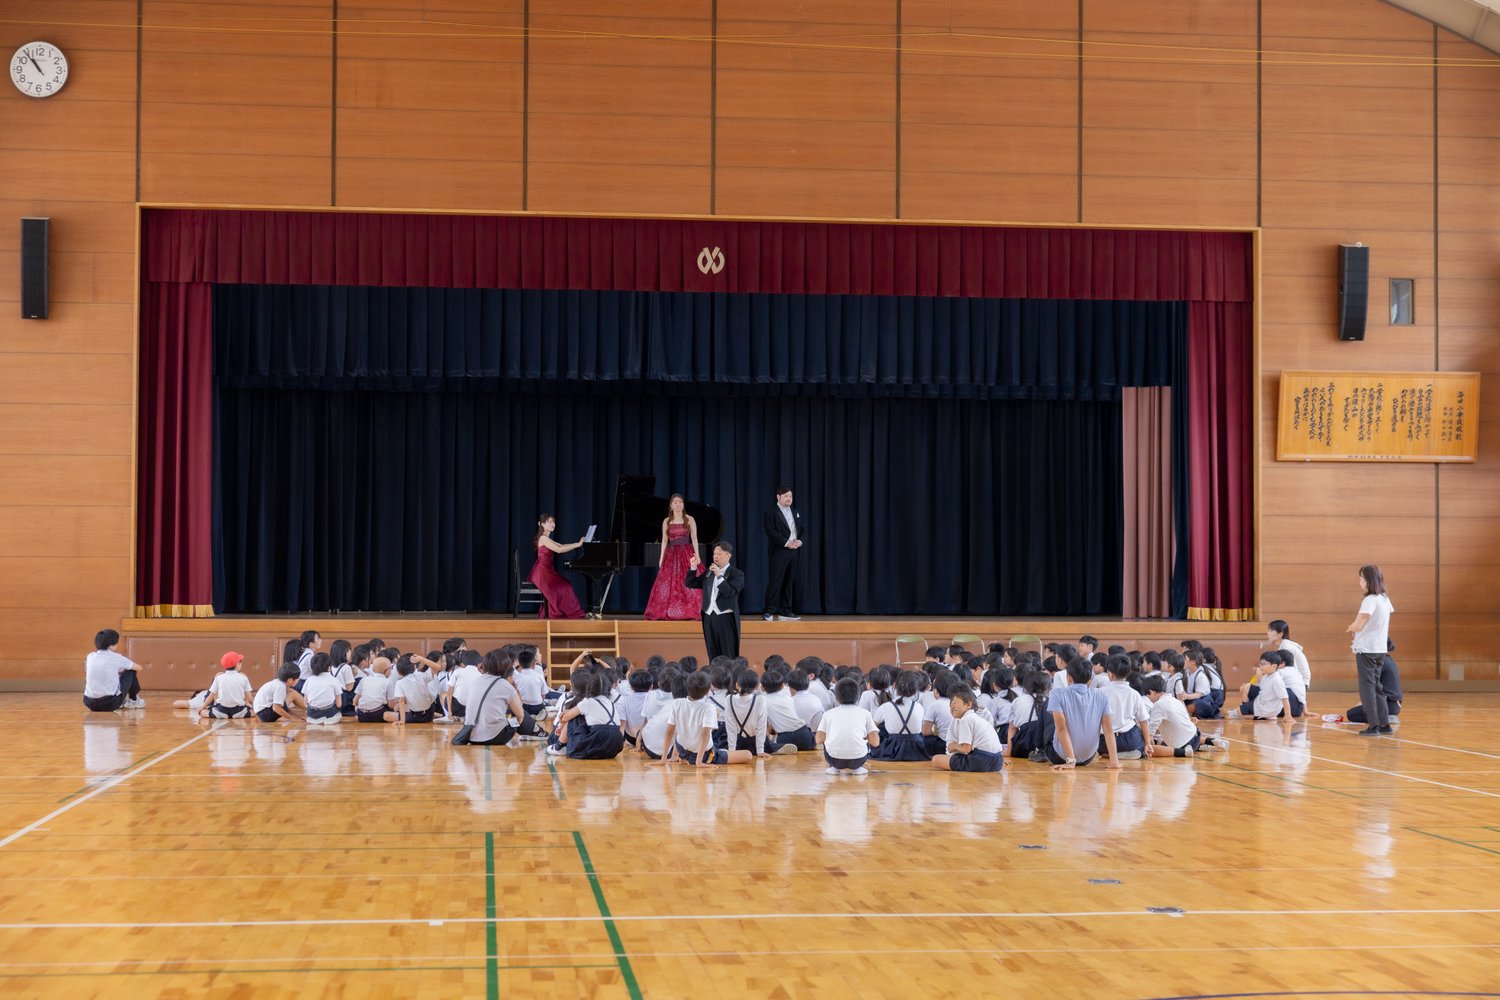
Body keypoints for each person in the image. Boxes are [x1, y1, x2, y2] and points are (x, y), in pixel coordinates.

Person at [1044, 658, 1122, 770]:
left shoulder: (1057, 693)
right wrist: (1114, 761)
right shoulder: (1101, 695)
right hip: (1087, 757)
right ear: (1090, 678)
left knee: (1048, 709)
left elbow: (1061, 729)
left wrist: (1071, 761)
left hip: (1060, 756)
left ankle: (1038, 750)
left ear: (1069, 678)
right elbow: (1108, 730)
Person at [1348, 564, 1395, 735]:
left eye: (1361, 578)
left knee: (1367, 687)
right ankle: (1384, 724)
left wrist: (1351, 626)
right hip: (1380, 648)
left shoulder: (1369, 600)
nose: (1360, 581)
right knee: (1377, 686)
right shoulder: (1384, 598)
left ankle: (1373, 725)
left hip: (1367, 648)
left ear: (1368, 580)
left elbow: (1359, 624)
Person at [644, 494, 702, 621]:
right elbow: (664, 540)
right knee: (667, 582)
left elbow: (694, 538)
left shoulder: (689, 519)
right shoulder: (667, 521)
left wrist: (697, 555)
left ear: (683, 504)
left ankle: (690, 609)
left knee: (688, 579)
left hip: (686, 552)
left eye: (680, 502)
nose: (677, 504)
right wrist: (661, 557)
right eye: (675, 502)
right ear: (671, 505)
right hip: (671, 554)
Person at [685, 542, 744, 660]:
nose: (716, 556)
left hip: (725, 618)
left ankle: (729, 678)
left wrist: (719, 576)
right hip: (709, 617)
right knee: (713, 654)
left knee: (728, 654)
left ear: (728, 556)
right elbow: (691, 583)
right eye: (714, 554)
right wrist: (693, 567)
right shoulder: (709, 572)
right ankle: (714, 677)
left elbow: (730, 592)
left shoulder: (737, 574)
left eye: (720, 554)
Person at [1143, 675, 1228, 757]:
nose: (1148, 698)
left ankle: (1183, 752)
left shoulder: (1158, 705)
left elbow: (1151, 731)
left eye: (1148, 695)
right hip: (1196, 735)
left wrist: (1151, 746)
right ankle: (1211, 742)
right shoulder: (1174, 700)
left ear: (1152, 692)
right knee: (1170, 739)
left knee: (1149, 747)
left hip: (1184, 744)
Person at [931, 686, 1004, 772]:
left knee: (935, 759)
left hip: (981, 760)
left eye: (955, 703)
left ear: (968, 704)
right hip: (998, 761)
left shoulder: (966, 719)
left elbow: (966, 748)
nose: (952, 707)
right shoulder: (976, 718)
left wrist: (953, 746)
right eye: (951, 705)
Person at [816, 677, 879, 775]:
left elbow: (818, 740)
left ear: (836, 698)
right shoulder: (865, 713)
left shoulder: (828, 714)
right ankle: (858, 768)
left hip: (833, 759)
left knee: (827, 739)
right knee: (866, 740)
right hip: (858, 759)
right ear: (858, 696)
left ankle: (834, 768)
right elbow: (875, 742)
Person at [529, 514, 587, 620]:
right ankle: (569, 611)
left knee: (566, 585)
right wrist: (577, 545)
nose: (552, 524)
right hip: (542, 572)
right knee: (566, 586)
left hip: (546, 571)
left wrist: (577, 543)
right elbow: (559, 550)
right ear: (542, 524)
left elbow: (560, 545)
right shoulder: (543, 538)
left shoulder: (546, 538)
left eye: (553, 522)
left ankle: (565, 610)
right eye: (549, 522)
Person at [762, 486, 806, 621]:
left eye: (790, 496)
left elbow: (801, 530)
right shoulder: (771, 512)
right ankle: (769, 610)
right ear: (778, 497)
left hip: (793, 552)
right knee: (776, 581)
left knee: (789, 581)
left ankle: (786, 610)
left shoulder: (795, 512)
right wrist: (787, 542)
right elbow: (771, 532)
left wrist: (799, 542)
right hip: (779, 551)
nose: (789, 499)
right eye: (786, 496)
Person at [84, 629, 144, 712]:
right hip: (110, 703)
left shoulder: (90, 656)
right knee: (130, 671)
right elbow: (139, 668)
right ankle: (133, 700)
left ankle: (126, 700)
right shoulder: (116, 658)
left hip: (89, 702)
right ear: (110, 645)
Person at [1347, 640, 1402, 725]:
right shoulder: (1388, 659)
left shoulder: (1380, 662)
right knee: (1358, 711)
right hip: (1394, 705)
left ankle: (1384, 717)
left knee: (1351, 714)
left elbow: (1370, 686)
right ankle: (1386, 716)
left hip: (1388, 705)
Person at [1268, 619, 1312, 708]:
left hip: (1299, 684)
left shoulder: (1287, 648)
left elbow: (1292, 672)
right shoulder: (1283, 646)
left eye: (1271, 630)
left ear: (1280, 634)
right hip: (1295, 683)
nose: (1268, 633)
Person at [203, 652, 253, 718]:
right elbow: (249, 698)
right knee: (253, 712)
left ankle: (221, 714)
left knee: (203, 712)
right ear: (238, 664)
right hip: (238, 710)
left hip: (222, 710)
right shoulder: (243, 678)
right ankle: (237, 714)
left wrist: (201, 707)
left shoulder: (218, 678)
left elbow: (211, 696)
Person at [300, 653, 344, 725]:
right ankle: (330, 718)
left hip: (312, 712)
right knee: (338, 714)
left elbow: (305, 703)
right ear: (329, 667)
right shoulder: (334, 680)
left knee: (311, 712)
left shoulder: (309, 680)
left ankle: (313, 719)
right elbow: (339, 704)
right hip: (329, 711)